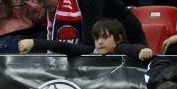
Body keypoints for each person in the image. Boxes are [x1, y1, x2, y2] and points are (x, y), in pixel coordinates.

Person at [26, 0, 146, 47]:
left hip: (125, 44)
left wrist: (38, 43)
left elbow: (88, 46)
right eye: (37, 1)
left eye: (42, 0)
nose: (40, 5)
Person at [17, 18, 153, 60]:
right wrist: (34, 42)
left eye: (105, 37)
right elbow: (67, 47)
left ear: (118, 38)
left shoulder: (120, 48)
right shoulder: (92, 50)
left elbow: (130, 48)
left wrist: (142, 50)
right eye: (96, 38)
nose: (99, 42)